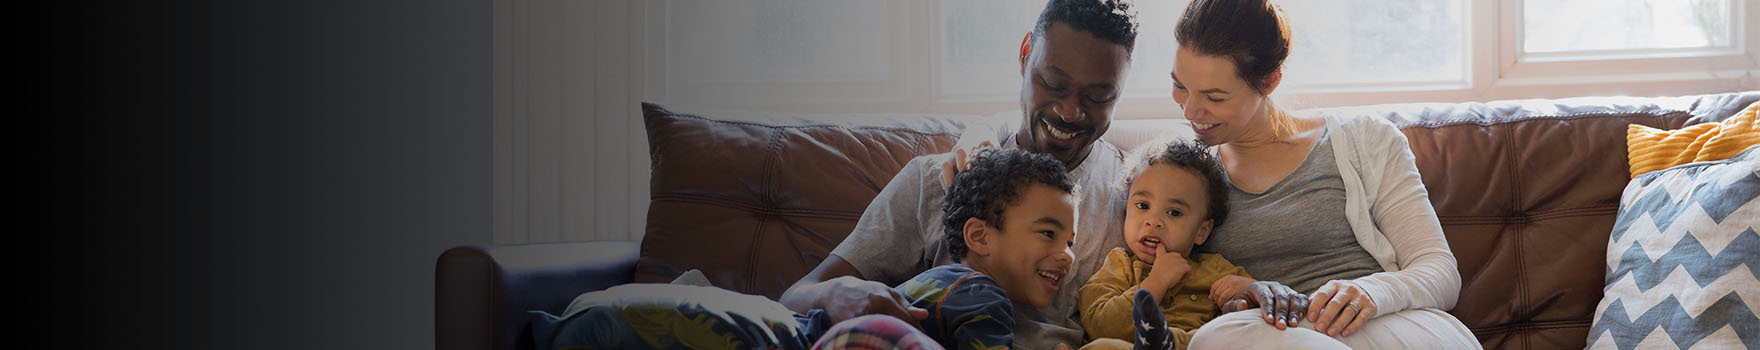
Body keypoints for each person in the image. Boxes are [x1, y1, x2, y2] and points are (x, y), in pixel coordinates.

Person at [778, 0, 1142, 348]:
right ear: (1025, 53)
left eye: (1098, 97)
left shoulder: (1136, 202)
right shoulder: (937, 180)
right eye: (1053, 83)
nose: (1069, 111)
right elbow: (796, 296)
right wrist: (839, 294)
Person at [1163, 0, 1481, 348]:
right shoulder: (1179, 172)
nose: (1190, 111)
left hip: (1390, 326)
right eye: (1180, 86)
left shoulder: (1365, 139)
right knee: (1215, 337)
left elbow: (1439, 271)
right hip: (1274, 335)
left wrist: (1371, 292)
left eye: (1214, 97)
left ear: (1269, 81)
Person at [1079, 139, 1252, 350]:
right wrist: (1157, 281)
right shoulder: (1119, 265)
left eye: (1174, 212)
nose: (1153, 221)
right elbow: (1100, 326)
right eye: (1143, 206)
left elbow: (1260, 304)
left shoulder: (1215, 269)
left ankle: (1171, 341)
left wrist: (1246, 290)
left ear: (1201, 231)